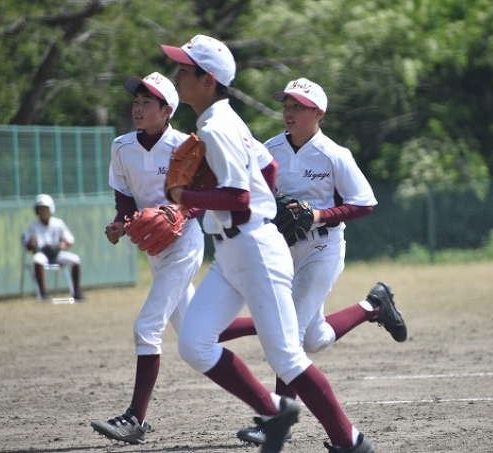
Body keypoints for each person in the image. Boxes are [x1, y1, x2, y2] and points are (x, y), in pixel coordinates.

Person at [160, 34, 376, 453]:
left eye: (184, 70)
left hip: (255, 248)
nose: (177, 76)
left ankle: (350, 442)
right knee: (194, 343)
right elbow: (269, 167)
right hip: (231, 251)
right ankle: (275, 412)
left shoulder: (218, 127)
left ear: (208, 80)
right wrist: (265, 203)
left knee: (288, 356)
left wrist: (183, 196)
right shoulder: (225, 119)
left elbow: (239, 198)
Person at [219, 78, 408, 446]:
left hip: (323, 249)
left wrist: (318, 215)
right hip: (281, 250)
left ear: (318, 113)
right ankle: (374, 305)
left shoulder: (334, 154)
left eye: (298, 106)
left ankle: (277, 422)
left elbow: (364, 203)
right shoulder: (270, 149)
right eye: (286, 105)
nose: (289, 112)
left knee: (288, 335)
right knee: (313, 338)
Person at [90, 72, 206, 445]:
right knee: (198, 339)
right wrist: (120, 224)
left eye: (147, 103)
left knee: (147, 327)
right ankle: (270, 405)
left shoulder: (184, 145)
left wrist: (180, 213)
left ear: (167, 110)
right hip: (153, 247)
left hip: (184, 242)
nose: (138, 108)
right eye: (136, 102)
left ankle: (135, 419)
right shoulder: (122, 146)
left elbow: (204, 196)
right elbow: (125, 196)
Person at [23, 193, 85, 301]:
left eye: (45, 209)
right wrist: (32, 242)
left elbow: (69, 240)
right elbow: (28, 246)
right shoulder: (33, 226)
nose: (43, 211)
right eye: (40, 209)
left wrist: (60, 246)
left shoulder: (58, 223)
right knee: (37, 259)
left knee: (75, 259)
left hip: (56, 253)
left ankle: (77, 292)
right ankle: (43, 293)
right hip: (42, 253)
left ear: (51, 209)